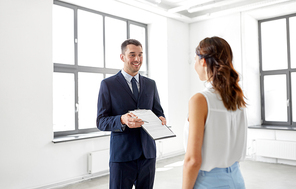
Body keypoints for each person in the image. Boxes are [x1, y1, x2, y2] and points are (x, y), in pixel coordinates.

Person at [96, 39, 166, 189]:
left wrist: (160, 118)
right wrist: (122, 119)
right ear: (122, 57)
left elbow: (158, 112)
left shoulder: (151, 84)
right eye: (132, 55)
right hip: (122, 156)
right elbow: (101, 121)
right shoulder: (108, 84)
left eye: (140, 55)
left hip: (148, 154)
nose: (137, 59)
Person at [182, 36, 247, 189]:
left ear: (202, 61)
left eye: (194, 60)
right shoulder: (237, 96)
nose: (194, 66)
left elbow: (193, 160)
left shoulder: (200, 100)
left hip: (208, 183)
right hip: (236, 179)